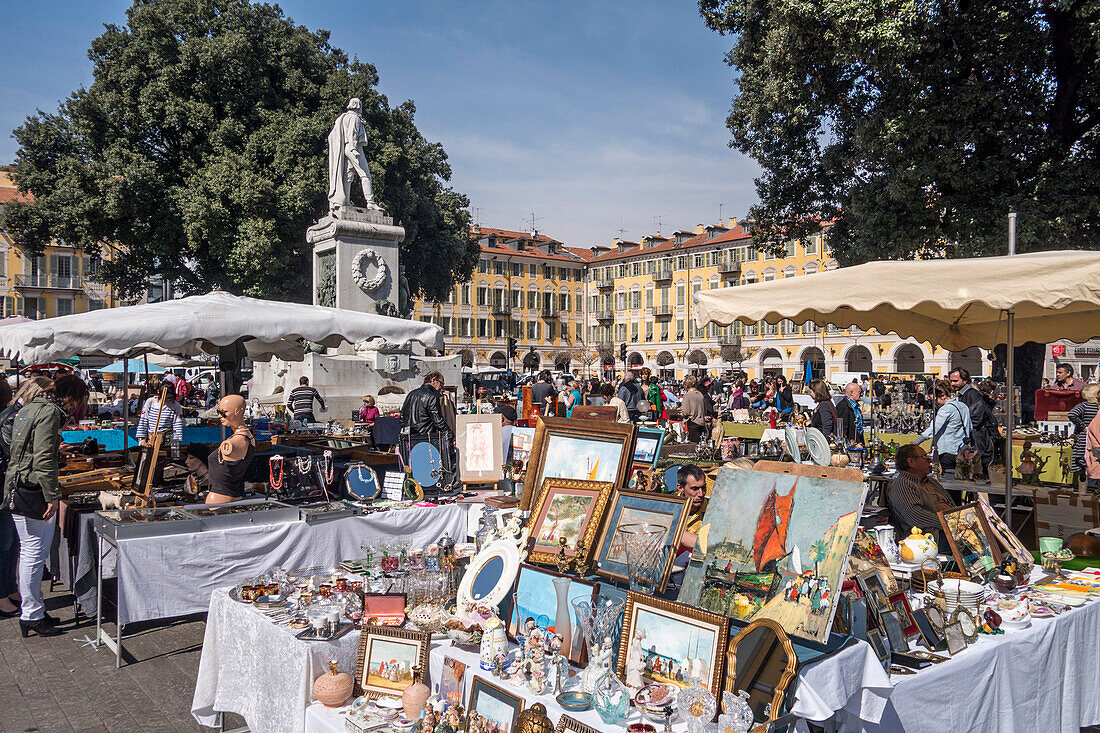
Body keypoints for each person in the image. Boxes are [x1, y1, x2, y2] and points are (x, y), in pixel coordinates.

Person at [4, 374, 88, 636]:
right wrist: (52, 495)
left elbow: (28, 453)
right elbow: (42, 459)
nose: (75, 408)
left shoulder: (29, 407)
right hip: (32, 491)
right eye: (78, 401)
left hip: (20, 487)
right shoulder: (49, 411)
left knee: (31, 553)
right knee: (33, 554)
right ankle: (31, 614)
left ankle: (34, 610)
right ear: (71, 397)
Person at [885, 443, 956, 549]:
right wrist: (951, 523)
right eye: (924, 457)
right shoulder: (903, 484)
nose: (930, 460)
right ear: (911, 462)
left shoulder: (931, 482)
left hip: (951, 530)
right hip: (930, 539)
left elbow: (951, 505)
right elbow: (915, 517)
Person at [400, 371, 455, 479]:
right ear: (433, 380)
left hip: (410, 438)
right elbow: (437, 419)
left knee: (415, 468)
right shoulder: (432, 396)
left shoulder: (411, 394)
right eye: (441, 383)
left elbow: (402, 417)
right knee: (429, 468)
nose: (441, 387)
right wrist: (450, 434)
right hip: (427, 437)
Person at [206, 394, 256, 504]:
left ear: (238, 411)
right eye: (219, 412)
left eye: (224, 412)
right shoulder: (248, 437)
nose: (220, 416)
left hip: (218, 498)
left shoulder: (232, 443)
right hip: (234, 496)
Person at [949, 368, 997, 476]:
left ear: (965, 380)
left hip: (979, 439)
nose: (952, 384)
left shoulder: (972, 394)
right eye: (951, 381)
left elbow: (977, 418)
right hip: (976, 438)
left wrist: (961, 427)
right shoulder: (964, 394)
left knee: (978, 472)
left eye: (955, 381)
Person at [917, 380, 973, 472]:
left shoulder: (945, 409)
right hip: (961, 451)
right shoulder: (963, 406)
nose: (934, 403)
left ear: (942, 395)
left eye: (934, 400)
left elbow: (932, 429)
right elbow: (969, 427)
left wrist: (915, 443)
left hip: (946, 452)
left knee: (947, 480)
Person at [135, 375, 184, 446]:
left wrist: (177, 441)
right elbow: (143, 419)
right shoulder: (150, 402)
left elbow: (177, 423)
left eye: (170, 398)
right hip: (151, 436)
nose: (167, 400)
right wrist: (141, 438)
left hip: (167, 438)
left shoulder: (175, 405)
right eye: (165, 397)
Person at [1069, 384, 1099, 482]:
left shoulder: (1084, 406)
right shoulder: (1094, 407)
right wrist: (1084, 427)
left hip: (1084, 438)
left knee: (1083, 463)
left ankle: (1083, 487)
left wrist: (1082, 427)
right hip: (1090, 438)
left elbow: (1072, 414)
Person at [676, 464, 708, 554]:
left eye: (703, 488)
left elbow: (710, 545)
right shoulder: (669, 508)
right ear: (680, 488)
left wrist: (675, 532)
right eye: (695, 489)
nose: (701, 494)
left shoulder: (714, 510)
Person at [680, 375, 708, 442]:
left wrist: (681, 411)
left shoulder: (688, 395)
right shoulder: (700, 394)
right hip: (701, 422)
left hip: (692, 423)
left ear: (686, 385)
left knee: (693, 446)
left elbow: (685, 412)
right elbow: (704, 409)